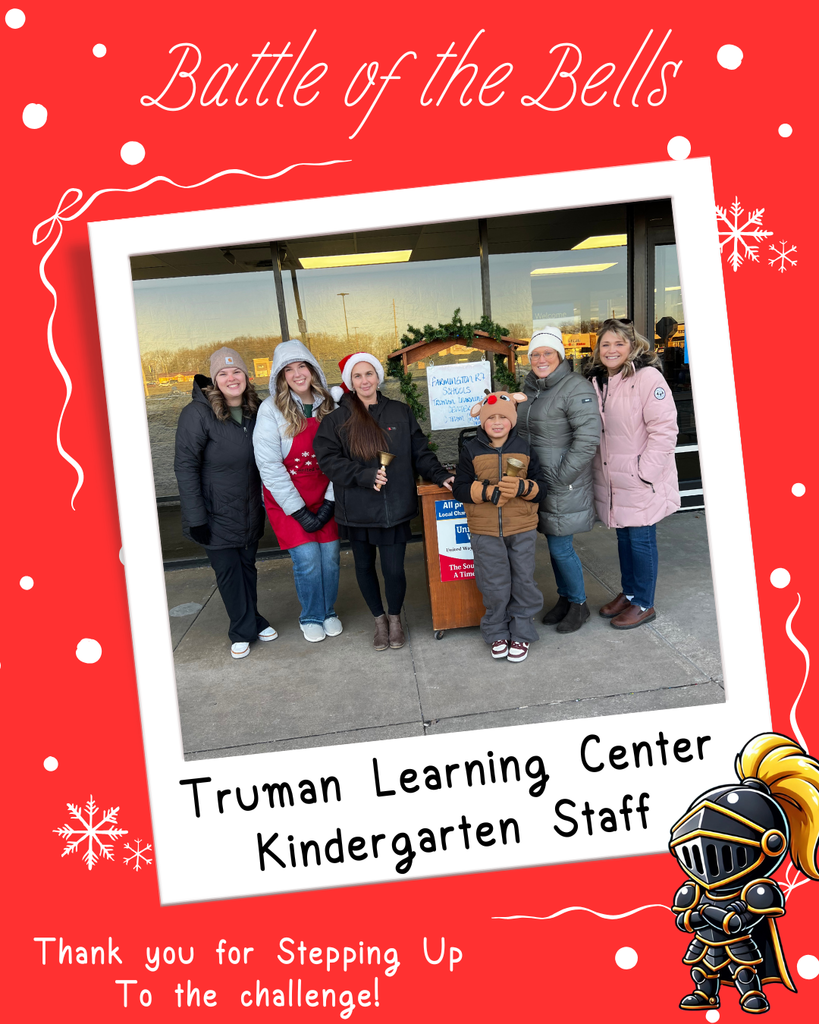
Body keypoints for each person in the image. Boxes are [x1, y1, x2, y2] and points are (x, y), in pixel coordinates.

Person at [313, 353, 454, 651]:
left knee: (393, 570)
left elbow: (420, 453)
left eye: (369, 374)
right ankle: (378, 621)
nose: (364, 381)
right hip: (357, 509)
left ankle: (395, 619)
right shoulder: (337, 420)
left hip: (394, 507)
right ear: (350, 382)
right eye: (357, 376)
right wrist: (364, 475)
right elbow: (329, 461)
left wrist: (441, 476)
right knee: (364, 567)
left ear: (378, 377)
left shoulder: (399, 412)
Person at [174, 347, 275, 659]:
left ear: (246, 376)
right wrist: (196, 518)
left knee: (247, 568)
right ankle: (241, 630)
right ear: (214, 381)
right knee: (229, 572)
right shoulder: (198, 413)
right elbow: (185, 465)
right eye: (223, 373)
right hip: (214, 512)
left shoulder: (254, 411)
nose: (231, 378)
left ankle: (253, 619)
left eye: (236, 372)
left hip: (247, 508)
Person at [587, 319, 680, 629]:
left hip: (639, 478)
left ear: (632, 346)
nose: (611, 350)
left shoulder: (647, 378)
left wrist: (646, 472)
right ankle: (629, 593)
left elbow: (665, 430)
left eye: (618, 343)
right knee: (624, 539)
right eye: (605, 344)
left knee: (640, 540)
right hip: (613, 479)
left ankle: (644, 602)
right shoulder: (598, 381)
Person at [253, 340, 343, 643]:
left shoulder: (330, 404)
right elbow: (269, 466)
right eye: (288, 369)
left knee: (329, 556)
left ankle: (329, 611)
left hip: (324, 493)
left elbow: (342, 457)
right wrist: (299, 511)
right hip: (287, 499)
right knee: (307, 557)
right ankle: (312, 615)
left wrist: (330, 502)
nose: (296, 373)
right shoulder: (271, 410)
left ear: (312, 368)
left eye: (301, 365)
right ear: (281, 377)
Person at [452, 390, 548, 663]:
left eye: (502, 417)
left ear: (513, 420)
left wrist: (522, 487)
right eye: (490, 417)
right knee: (494, 584)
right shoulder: (470, 450)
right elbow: (459, 488)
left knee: (523, 581)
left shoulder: (526, 448)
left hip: (522, 527)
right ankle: (496, 631)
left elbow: (542, 489)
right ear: (481, 422)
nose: (496, 422)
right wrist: (487, 492)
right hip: (486, 530)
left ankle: (522, 631)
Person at [518, 326, 601, 633]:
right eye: (535, 354)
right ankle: (565, 598)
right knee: (553, 543)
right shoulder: (530, 388)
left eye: (547, 353)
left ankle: (579, 605)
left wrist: (560, 476)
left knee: (560, 547)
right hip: (539, 481)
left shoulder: (575, 387)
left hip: (561, 482)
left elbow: (588, 439)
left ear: (560, 356)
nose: (541, 359)